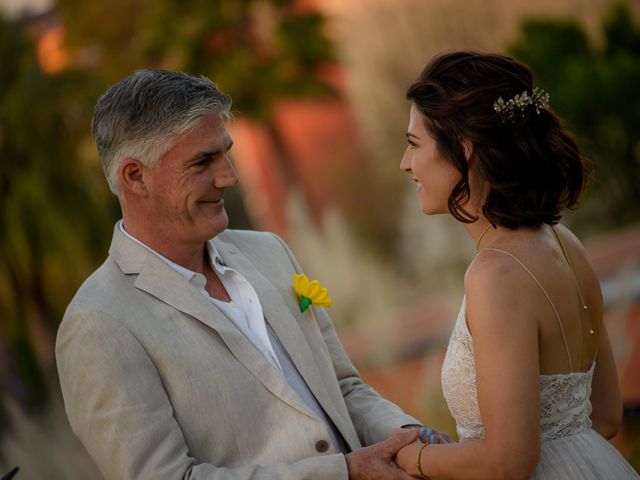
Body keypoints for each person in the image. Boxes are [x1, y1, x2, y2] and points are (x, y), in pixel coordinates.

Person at [55, 69, 426, 480]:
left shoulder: (270, 252)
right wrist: (343, 472)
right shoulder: (97, 324)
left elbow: (344, 390)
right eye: (203, 161)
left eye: (225, 153)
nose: (229, 176)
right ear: (135, 176)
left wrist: (411, 437)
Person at [394, 51, 640, 479]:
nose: (405, 163)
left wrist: (411, 458)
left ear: (464, 150)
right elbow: (606, 418)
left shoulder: (495, 275)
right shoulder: (565, 243)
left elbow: (508, 461)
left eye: (415, 144)